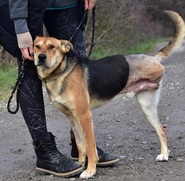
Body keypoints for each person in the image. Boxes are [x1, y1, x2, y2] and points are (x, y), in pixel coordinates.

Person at [0, 0, 119, 177]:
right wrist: (20, 25)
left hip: (65, 4)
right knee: (31, 67)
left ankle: (81, 145)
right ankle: (44, 152)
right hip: (24, 6)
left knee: (77, 60)